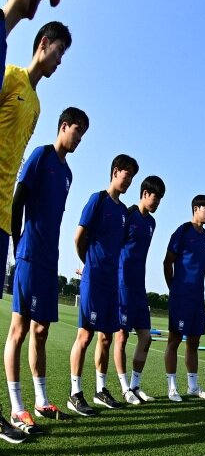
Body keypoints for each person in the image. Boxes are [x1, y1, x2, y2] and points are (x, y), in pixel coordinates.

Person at [2, 107, 83, 438]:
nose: (78, 138)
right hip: (30, 256)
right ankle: (16, 406)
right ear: (63, 126)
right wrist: (18, 243)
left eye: (83, 134)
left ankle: (41, 401)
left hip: (50, 260)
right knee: (19, 331)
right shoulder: (40, 156)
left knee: (41, 332)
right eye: (76, 130)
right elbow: (17, 200)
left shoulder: (68, 174)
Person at [1, 21, 71, 299]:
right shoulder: (8, 75)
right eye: (59, 51)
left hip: (4, 216)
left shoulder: (37, 106)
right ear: (43, 43)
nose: (60, 60)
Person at [66, 154, 136, 416]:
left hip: (111, 282)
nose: (128, 181)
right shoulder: (98, 199)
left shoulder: (122, 211)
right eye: (126, 175)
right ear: (115, 172)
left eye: (132, 177)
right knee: (85, 336)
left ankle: (101, 389)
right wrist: (89, 263)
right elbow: (78, 237)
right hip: (94, 279)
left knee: (106, 337)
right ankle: (75, 393)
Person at [112, 174, 164, 405]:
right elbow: (112, 245)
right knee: (121, 336)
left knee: (146, 337)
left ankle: (135, 385)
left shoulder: (152, 223)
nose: (158, 203)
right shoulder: (127, 215)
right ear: (144, 194)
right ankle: (124, 388)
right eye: (156, 197)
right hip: (122, 284)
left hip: (139, 287)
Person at [163, 194, 205, 401]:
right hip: (180, 296)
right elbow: (167, 261)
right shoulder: (182, 231)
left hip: (197, 299)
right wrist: (173, 288)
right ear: (195, 209)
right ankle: (172, 387)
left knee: (193, 342)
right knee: (174, 340)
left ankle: (193, 387)